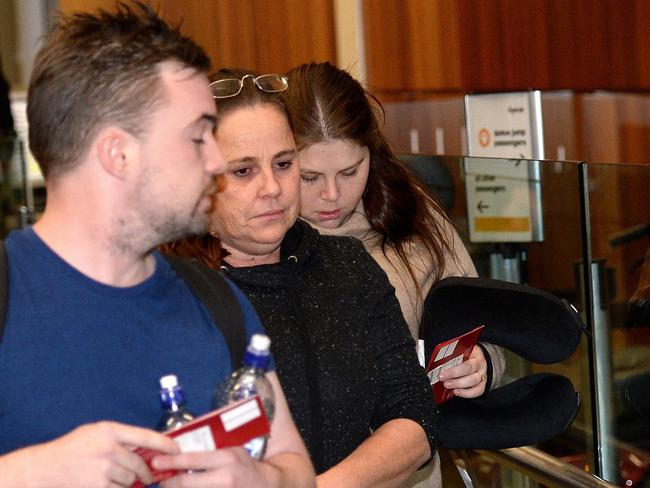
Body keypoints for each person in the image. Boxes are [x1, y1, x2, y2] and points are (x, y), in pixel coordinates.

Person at [0, 4, 314, 488]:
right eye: (197, 136)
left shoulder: (216, 301)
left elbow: (295, 468)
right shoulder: (8, 295)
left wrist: (260, 479)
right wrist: (26, 474)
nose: (215, 159)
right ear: (118, 153)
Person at [162, 68, 438, 488]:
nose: (272, 187)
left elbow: (414, 413)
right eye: (243, 171)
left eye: (285, 164)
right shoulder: (166, 295)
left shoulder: (347, 265)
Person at [282, 61, 506, 485]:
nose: (332, 195)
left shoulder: (414, 215)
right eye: (309, 176)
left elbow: (482, 330)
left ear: (374, 151)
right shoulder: (257, 236)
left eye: (350, 171)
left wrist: (481, 366)